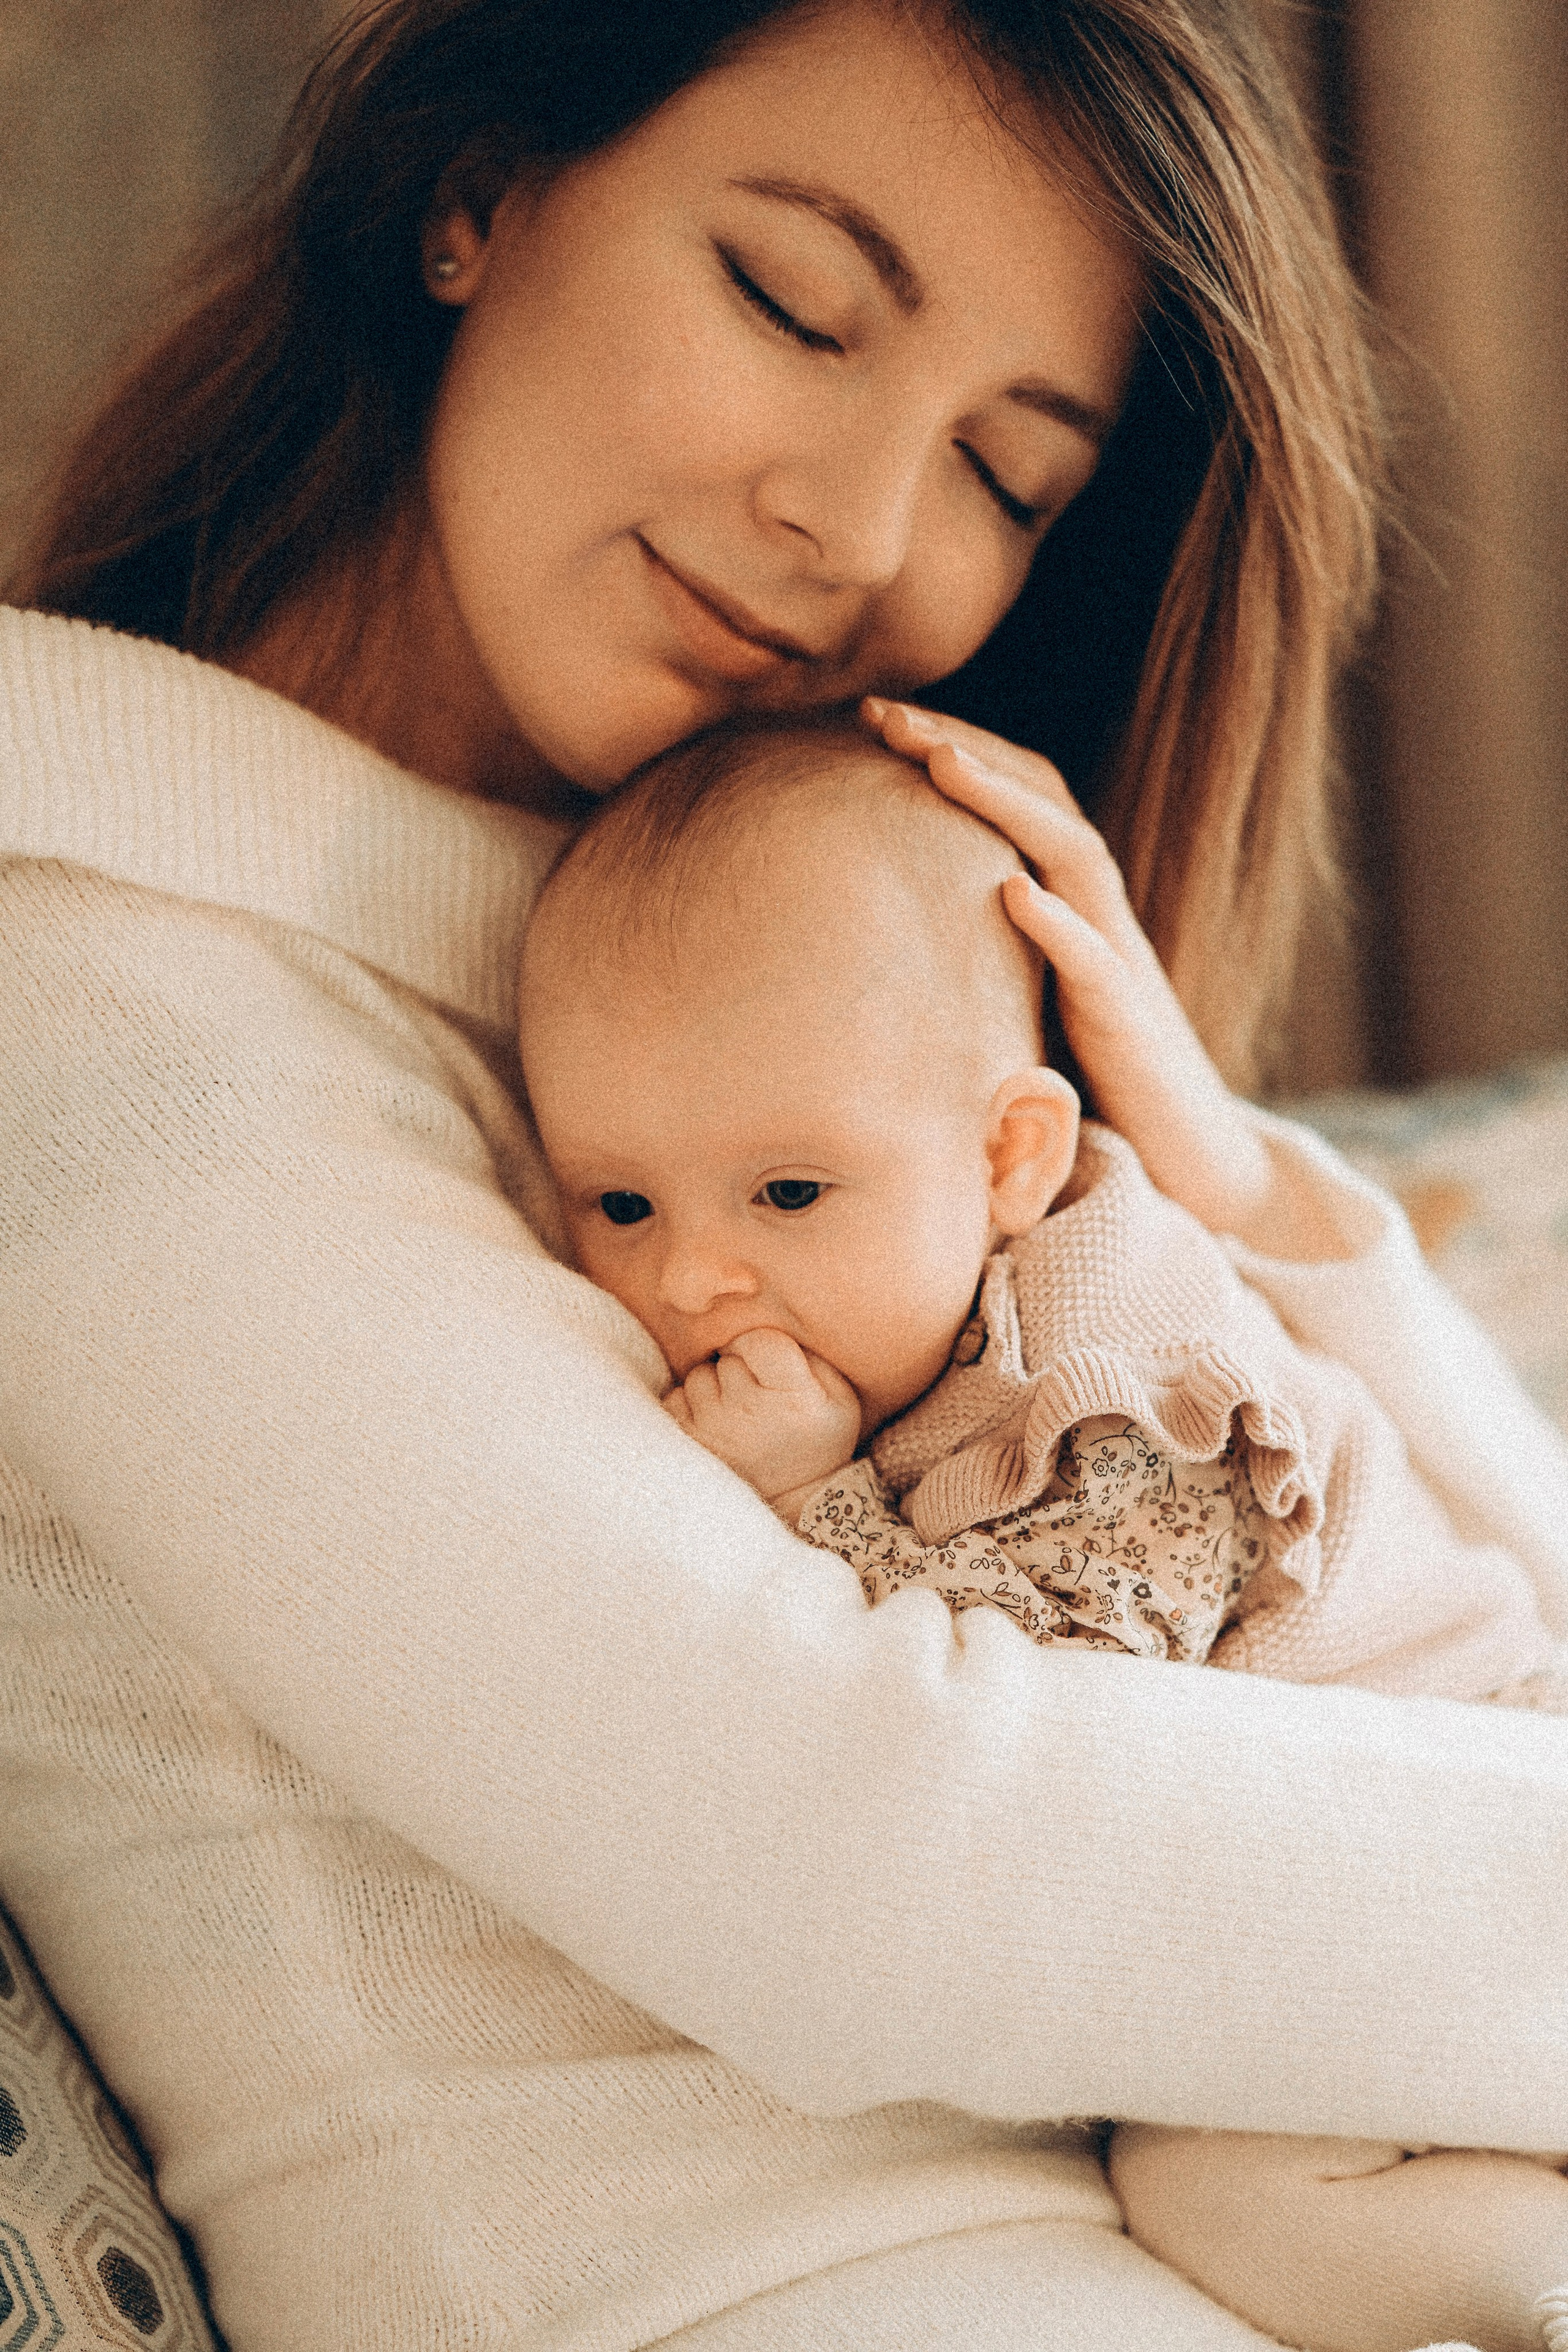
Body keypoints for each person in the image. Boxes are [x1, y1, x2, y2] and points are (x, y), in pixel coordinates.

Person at [2, 1, 1567, 2347]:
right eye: (792, 305)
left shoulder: (756, 987)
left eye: (1010, 479)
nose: (860, 533)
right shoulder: (89, 985)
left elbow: (1476, 1642)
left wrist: (1226, 1186)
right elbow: (847, 1861)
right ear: (478, 191)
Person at [518, 711, 1568, 2352]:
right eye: (622, 1204)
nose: (690, 1278)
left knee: (1221, 2194)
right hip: (1357, 1913)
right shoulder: (943, 1320)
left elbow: (1056, 1720)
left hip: (1471, 1836)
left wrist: (812, 1504)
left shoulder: (1107, 1379)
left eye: (788, 1196)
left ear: (1014, 1154)